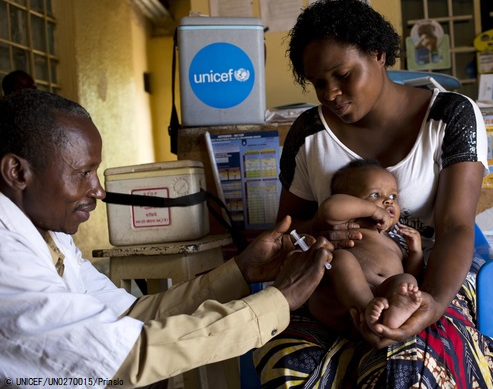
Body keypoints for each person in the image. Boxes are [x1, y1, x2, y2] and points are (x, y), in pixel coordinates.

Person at [254, 0, 493, 388]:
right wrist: (323, 230)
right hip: (332, 283)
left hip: (426, 281)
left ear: (379, 54)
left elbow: (454, 226)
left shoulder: (450, 117)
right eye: (319, 83)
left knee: (410, 363)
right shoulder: (308, 135)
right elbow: (290, 228)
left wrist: (432, 304)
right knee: (292, 366)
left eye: (343, 74)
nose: (331, 93)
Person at [0, 89, 334, 386]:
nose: (98, 190)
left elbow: (130, 316)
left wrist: (242, 270)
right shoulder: (6, 257)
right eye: (83, 172)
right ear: (17, 172)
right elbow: (126, 356)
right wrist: (280, 298)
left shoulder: (47, 236)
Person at [308, 159, 423, 340]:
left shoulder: (395, 240)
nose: (387, 201)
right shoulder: (348, 226)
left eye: (393, 197)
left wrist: (416, 253)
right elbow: (330, 208)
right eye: (375, 195)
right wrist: (373, 211)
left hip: (382, 300)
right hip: (341, 301)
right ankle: (366, 309)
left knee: (406, 281)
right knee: (340, 258)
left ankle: (391, 317)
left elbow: (412, 273)